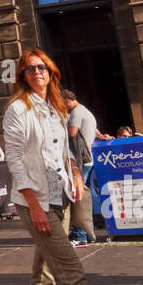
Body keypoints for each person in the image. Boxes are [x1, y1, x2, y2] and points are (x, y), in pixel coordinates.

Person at [3, 49, 137, 285]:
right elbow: (15, 161)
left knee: (46, 272)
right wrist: (33, 205)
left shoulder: (56, 107)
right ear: (22, 75)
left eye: (43, 67)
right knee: (71, 270)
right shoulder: (18, 110)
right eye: (30, 69)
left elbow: (65, 151)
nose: (37, 72)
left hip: (60, 196)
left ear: (52, 73)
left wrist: (76, 175)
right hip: (34, 201)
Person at [62, 88, 100, 247]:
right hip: (88, 160)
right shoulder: (85, 110)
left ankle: (80, 235)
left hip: (81, 160)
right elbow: (95, 130)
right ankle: (85, 230)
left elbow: (72, 133)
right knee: (83, 196)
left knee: (78, 197)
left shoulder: (76, 112)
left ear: (67, 101)